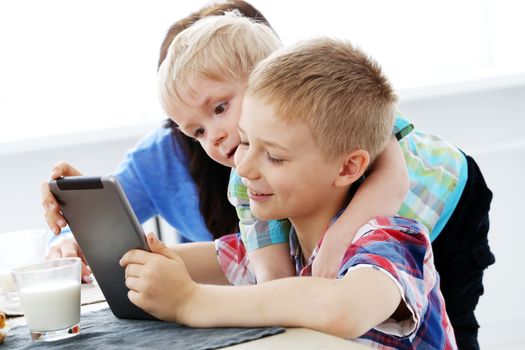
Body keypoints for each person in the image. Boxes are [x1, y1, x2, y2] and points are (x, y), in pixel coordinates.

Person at [41, 3, 493, 348]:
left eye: (221, 109)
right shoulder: (275, 209)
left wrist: (192, 302)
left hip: (446, 193)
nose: (222, 143)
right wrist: (111, 248)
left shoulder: (389, 239)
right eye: (197, 131)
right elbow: (256, 272)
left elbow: (339, 299)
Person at [120, 36, 457, 349]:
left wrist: (190, 301)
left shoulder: (392, 242)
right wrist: (132, 259)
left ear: (346, 168)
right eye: (246, 141)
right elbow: (217, 258)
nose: (244, 169)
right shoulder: (289, 242)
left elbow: (343, 307)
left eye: (275, 157)